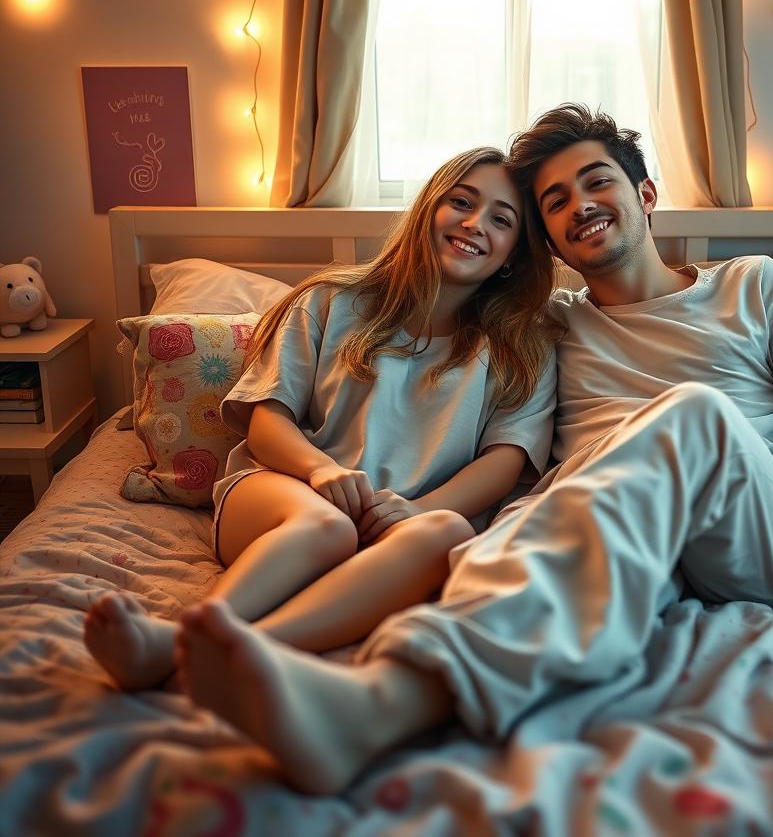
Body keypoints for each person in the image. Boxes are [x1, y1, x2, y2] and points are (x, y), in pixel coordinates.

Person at [169, 105, 773, 796]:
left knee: (691, 411)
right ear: (545, 240)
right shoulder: (542, 326)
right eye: (554, 202)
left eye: (595, 183)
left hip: (749, 529)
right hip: (612, 529)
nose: (578, 207)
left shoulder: (753, 285)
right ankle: (374, 705)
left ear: (647, 195)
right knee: (512, 543)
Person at [84, 147, 559, 693]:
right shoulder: (331, 299)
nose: (475, 224)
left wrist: (415, 508)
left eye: (502, 219)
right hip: (285, 494)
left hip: (401, 524)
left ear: (513, 253)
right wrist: (320, 472)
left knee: (450, 532)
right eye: (461, 202)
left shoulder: (524, 345)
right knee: (327, 526)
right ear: (429, 209)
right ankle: (180, 635)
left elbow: (506, 461)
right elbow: (265, 420)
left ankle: (234, 650)